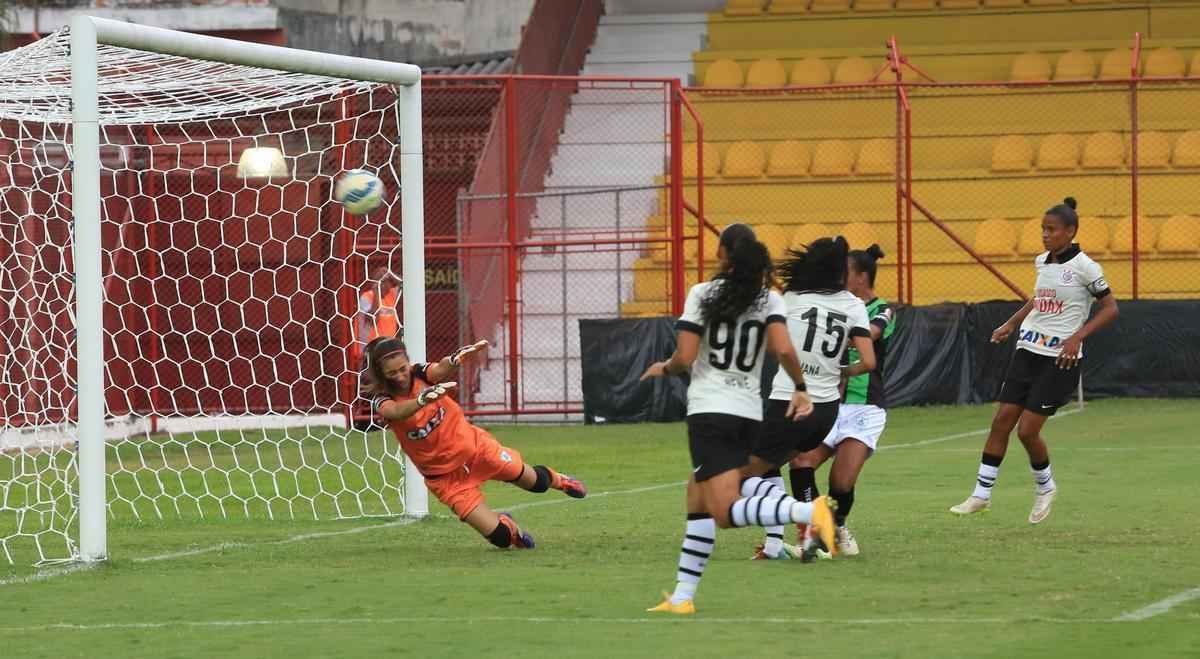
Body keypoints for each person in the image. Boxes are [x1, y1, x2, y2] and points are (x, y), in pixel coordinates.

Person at [640, 224, 834, 615]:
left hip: (710, 411)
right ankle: (682, 596)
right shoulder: (769, 300)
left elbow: (686, 356)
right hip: (747, 411)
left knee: (724, 511)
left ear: (726, 253)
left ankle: (808, 511)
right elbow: (783, 349)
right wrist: (800, 387)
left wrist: (665, 367)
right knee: (697, 493)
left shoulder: (702, 294)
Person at [950, 197, 1118, 524]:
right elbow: (1039, 298)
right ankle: (980, 495)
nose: (1045, 235)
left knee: (1027, 431)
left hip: (1059, 361)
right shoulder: (1042, 261)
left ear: (1070, 231)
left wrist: (1076, 337)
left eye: (1051, 230)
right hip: (1028, 350)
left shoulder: (1086, 267)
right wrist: (1011, 323)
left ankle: (1046, 487)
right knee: (1002, 420)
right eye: (1043, 229)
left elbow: (1111, 309)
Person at [364, 336, 587, 548]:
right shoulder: (382, 398)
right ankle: (507, 526)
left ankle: (560, 480)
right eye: (392, 373)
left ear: (408, 362)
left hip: (477, 450)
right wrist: (422, 399)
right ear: (381, 374)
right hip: (445, 478)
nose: (401, 376)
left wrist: (454, 360)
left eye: (403, 368)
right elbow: (396, 412)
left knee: (536, 484)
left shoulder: (419, 373)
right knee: (501, 539)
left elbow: (440, 369)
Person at [750, 236, 877, 561]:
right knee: (772, 464)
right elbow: (869, 362)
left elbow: (772, 343)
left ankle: (810, 521)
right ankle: (784, 542)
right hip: (825, 413)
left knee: (736, 475)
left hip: (790, 404)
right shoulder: (853, 305)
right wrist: (842, 372)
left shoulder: (791, 297)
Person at [773, 244, 895, 558]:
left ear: (861, 278)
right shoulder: (836, 304)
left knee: (841, 481)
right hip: (829, 401)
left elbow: (871, 336)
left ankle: (838, 525)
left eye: (848, 272)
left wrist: (836, 362)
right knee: (801, 461)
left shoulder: (881, 308)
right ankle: (818, 534)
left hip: (865, 405)